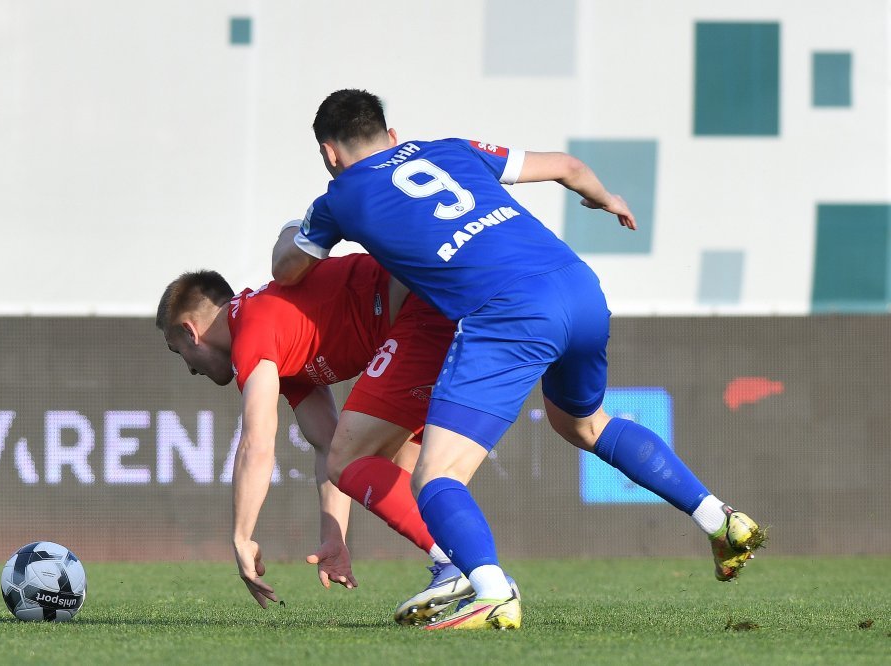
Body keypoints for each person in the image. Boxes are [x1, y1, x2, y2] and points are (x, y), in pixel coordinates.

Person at [271, 89, 767, 631]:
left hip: (508, 311)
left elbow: (289, 269)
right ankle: (720, 519)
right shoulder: (453, 149)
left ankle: (490, 592)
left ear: (329, 154)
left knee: (436, 475)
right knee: (584, 424)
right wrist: (606, 198)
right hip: (577, 288)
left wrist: (290, 234)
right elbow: (569, 166)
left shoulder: (339, 197)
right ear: (392, 135)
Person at [156, 249, 491, 624]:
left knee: (378, 462)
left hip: (421, 309)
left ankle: (460, 566)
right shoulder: (279, 341)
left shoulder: (252, 331)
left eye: (179, 351)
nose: (188, 369)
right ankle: (483, 578)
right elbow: (328, 446)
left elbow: (257, 442)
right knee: (406, 471)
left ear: (190, 330)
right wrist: (334, 537)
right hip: (436, 310)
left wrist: (241, 535)